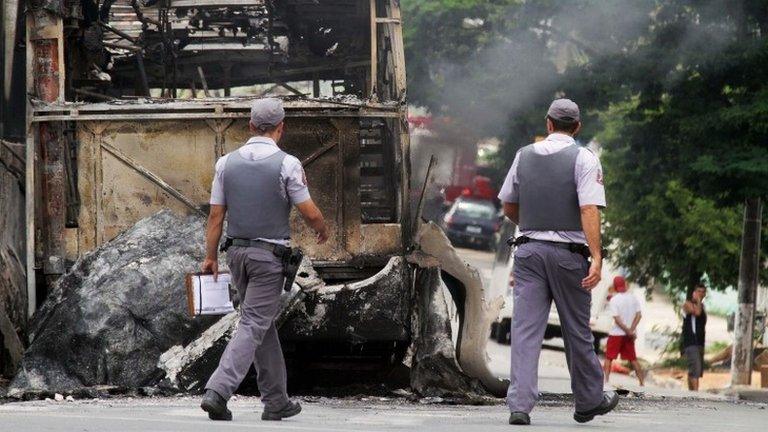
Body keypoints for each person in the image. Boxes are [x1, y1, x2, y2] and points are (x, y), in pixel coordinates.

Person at [199, 98, 329, 422]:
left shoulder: (225, 163)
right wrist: (322, 229)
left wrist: (210, 257)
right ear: (281, 128)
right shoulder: (287, 163)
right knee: (254, 323)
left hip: (237, 256)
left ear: (250, 125)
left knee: (262, 325)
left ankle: (276, 401)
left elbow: (216, 216)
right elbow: (308, 210)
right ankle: (218, 389)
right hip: (268, 259)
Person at [498, 98, 618, 426]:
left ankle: (519, 406)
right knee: (577, 330)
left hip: (529, 252)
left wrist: (534, 222)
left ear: (548, 123)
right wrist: (597, 257)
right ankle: (589, 401)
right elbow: (589, 209)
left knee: (524, 330)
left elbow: (509, 206)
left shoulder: (523, 155)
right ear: (577, 127)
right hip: (569, 257)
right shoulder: (584, 159)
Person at [603, 276, 644, 386]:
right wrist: (631, 330)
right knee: (633, 359)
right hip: (628, 335)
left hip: (616, 333)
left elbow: (617, 319)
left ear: (615, 286)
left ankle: (606, 381)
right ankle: (641, 383)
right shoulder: (633, 298)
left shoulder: (614, 300)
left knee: (609, 357)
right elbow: (639, 315)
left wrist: (627, 330)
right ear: (625, 284)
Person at [682, 283, 707, 391]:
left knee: (695, 371)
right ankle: (696, 394)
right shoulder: (687, 304)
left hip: (700, 343)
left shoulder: (702, 306)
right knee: (695, 370)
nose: (701, 294)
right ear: (693, 293)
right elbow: (696, 313)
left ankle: (691, 393)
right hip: (691, 342)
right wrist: (698, 301)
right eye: (698, 291)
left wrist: (699, 303)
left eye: (703, 292)